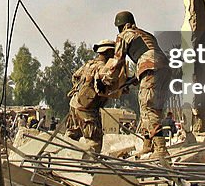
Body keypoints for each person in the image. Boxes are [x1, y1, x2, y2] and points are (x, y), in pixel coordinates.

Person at [112, 11, 170, 161]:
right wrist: (133, 79)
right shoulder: (147, 35)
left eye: (119, 27)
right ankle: (148, 145)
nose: (119, 31)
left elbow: (117, 62)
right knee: (152, 106)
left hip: (151, 68)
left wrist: (110, 80)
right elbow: (149, 54)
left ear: (124, 25)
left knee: (148, 107)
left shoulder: (124, 35)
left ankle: (161, 149)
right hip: (165, 69)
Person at [65, 39, 126, 154]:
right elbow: (108, 78)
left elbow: (75, 76)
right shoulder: (102, 67)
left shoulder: (89, 64)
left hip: (75, 104)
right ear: (109, 52)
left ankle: (65, 158)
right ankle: (90, 166)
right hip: (87, 109)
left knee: (72, 136)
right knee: (94, 141)